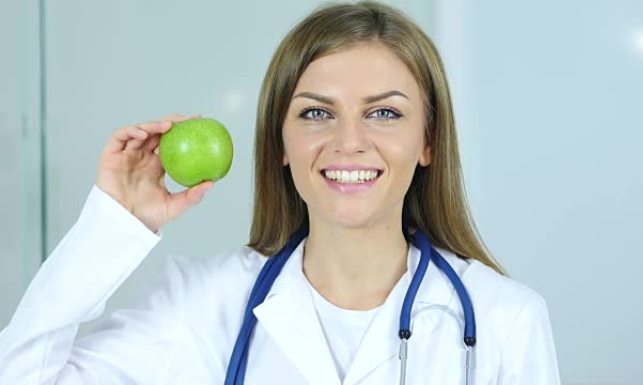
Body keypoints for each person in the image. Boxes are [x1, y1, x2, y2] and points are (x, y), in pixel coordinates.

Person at [0, 1, 561, 384]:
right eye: (317, 112)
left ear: (428, 142)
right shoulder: (205, 305)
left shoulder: (503, 321)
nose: (349, 142)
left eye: (384, 113)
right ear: (280, 144)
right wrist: (115, 224)